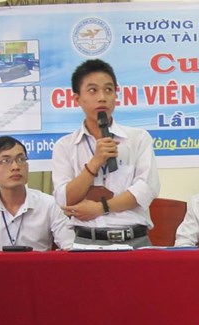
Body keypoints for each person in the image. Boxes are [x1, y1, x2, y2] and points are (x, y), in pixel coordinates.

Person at [52, 59, 160, 248]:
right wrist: (95, 162)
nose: (102, 97)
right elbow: (64, 199)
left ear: (116, 95)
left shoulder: (138, 138)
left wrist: (100, 208)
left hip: (135, 240)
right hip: (86, 241)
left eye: (108, 90)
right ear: (77, 98)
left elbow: (146, 189)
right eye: (93, 90)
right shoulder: (65, 146)